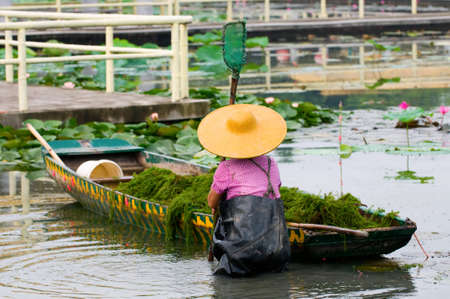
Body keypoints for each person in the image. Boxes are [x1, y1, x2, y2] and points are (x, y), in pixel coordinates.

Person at [197, 104, 291, 277]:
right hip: (277, 251)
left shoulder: (226, 168)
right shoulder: (272, 164)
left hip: (241, 255)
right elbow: (276, 191)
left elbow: (211, 202)